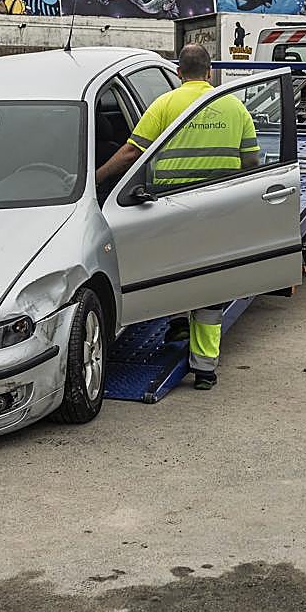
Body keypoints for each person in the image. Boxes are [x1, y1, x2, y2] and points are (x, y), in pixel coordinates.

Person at [96, 44, 260, 390]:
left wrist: (96, 178)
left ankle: (177, 324)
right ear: (210, 72)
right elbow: (252, 163)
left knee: (172, 274)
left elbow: (130, 152)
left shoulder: (165, 104)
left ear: (179, 72)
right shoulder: (234, 106)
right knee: (211, 283)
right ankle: (205, 370)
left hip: (170, 210)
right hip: (218, 210)